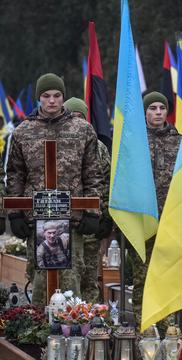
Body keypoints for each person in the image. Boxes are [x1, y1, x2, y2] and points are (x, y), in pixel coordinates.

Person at [7, 73, 103, 305]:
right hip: (37, 219)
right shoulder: (23, 132)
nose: (52, 101)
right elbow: (15, 175)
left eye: (57, 95)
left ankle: (72, 334)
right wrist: (15, 214)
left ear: (63, 97)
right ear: (39, 98)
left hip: (72, 220)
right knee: (40, 282)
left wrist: (93, 212)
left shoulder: (83, 130)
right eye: (46, 95)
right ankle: (39, 333)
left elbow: (92, 173)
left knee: (71, 283)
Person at [131, 91, 181, 330]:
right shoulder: (134, 141)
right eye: (152, 108)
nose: (158, 112)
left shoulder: (180, 141)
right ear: (145, 112)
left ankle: (168, 326)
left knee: (168, 275)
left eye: (162, 108)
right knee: (142, 275)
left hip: (171, 218)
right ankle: (145, 326)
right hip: (142, 219)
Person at [63, 97, 112, 303]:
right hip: (65, 225)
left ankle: (90, 322)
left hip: (92, 223)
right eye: (72, 116)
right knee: (66, 277)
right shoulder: (59, 143)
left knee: (89, 278)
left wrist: (106, 217)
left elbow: (107, 183)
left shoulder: (99, 148)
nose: (76, 121)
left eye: (80, 116)